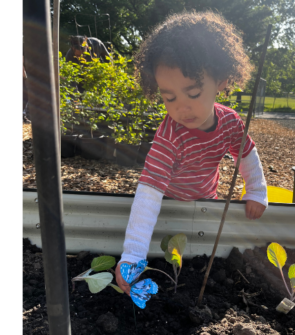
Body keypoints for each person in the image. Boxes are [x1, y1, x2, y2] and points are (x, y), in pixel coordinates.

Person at [115, 11, 268, 296]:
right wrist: (133, 255)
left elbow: (246, 154)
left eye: (193, 93)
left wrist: (256, 190)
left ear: (221, 80)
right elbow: (149, 193)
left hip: (206, 200)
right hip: (169, 203)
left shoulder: (232, 123)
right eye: (169, 97)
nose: (181, 108)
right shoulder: (170, 135)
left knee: (204, 255)